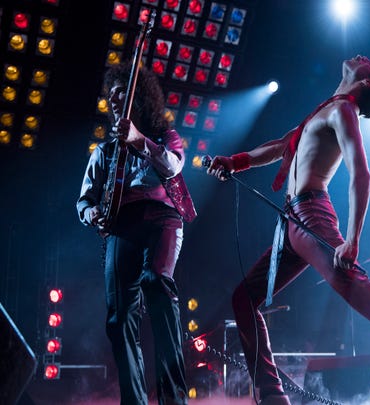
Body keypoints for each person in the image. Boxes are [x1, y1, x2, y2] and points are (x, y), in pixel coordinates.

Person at [206, 55, 370, 405]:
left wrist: (353, 239)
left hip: (312, 214)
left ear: (368, 82)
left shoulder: (343, 111)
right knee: (244, 298)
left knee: (364, 294)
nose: (364, 57)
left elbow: (361, 172)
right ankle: (271, 395)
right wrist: (235, 162)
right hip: (290, 223)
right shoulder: (325, 109)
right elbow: (278, 147)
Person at [76, 62, 196, 405]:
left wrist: (137, 139)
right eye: (111, 95)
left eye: (121, 94)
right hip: (121, 227)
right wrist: (91, 212)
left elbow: (173, 166)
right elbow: (83, 199)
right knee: (119, 317)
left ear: (138, 98)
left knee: (157, 283)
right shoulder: (105, 152)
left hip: (163, 220)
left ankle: (173, 399)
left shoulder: (165, 137)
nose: (114, 100)